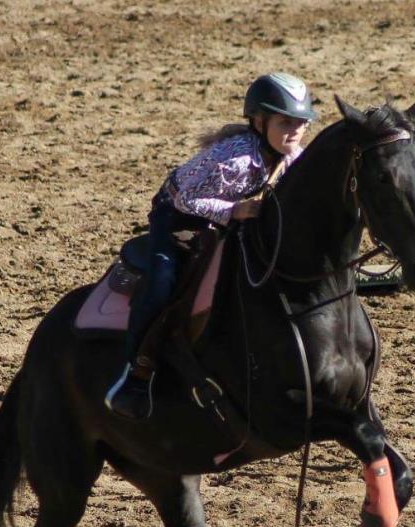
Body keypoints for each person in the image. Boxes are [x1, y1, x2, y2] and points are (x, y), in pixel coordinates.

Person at [105, 72, 318, 420]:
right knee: (162, 281)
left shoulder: (294, 157)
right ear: (259, 122)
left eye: (301, 123)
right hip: (178, 216)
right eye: (285, 122)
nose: (295, 130)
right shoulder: (234, 160)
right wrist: (233, 211)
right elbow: (185, 199)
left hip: (230, 216)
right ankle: (136, 372)